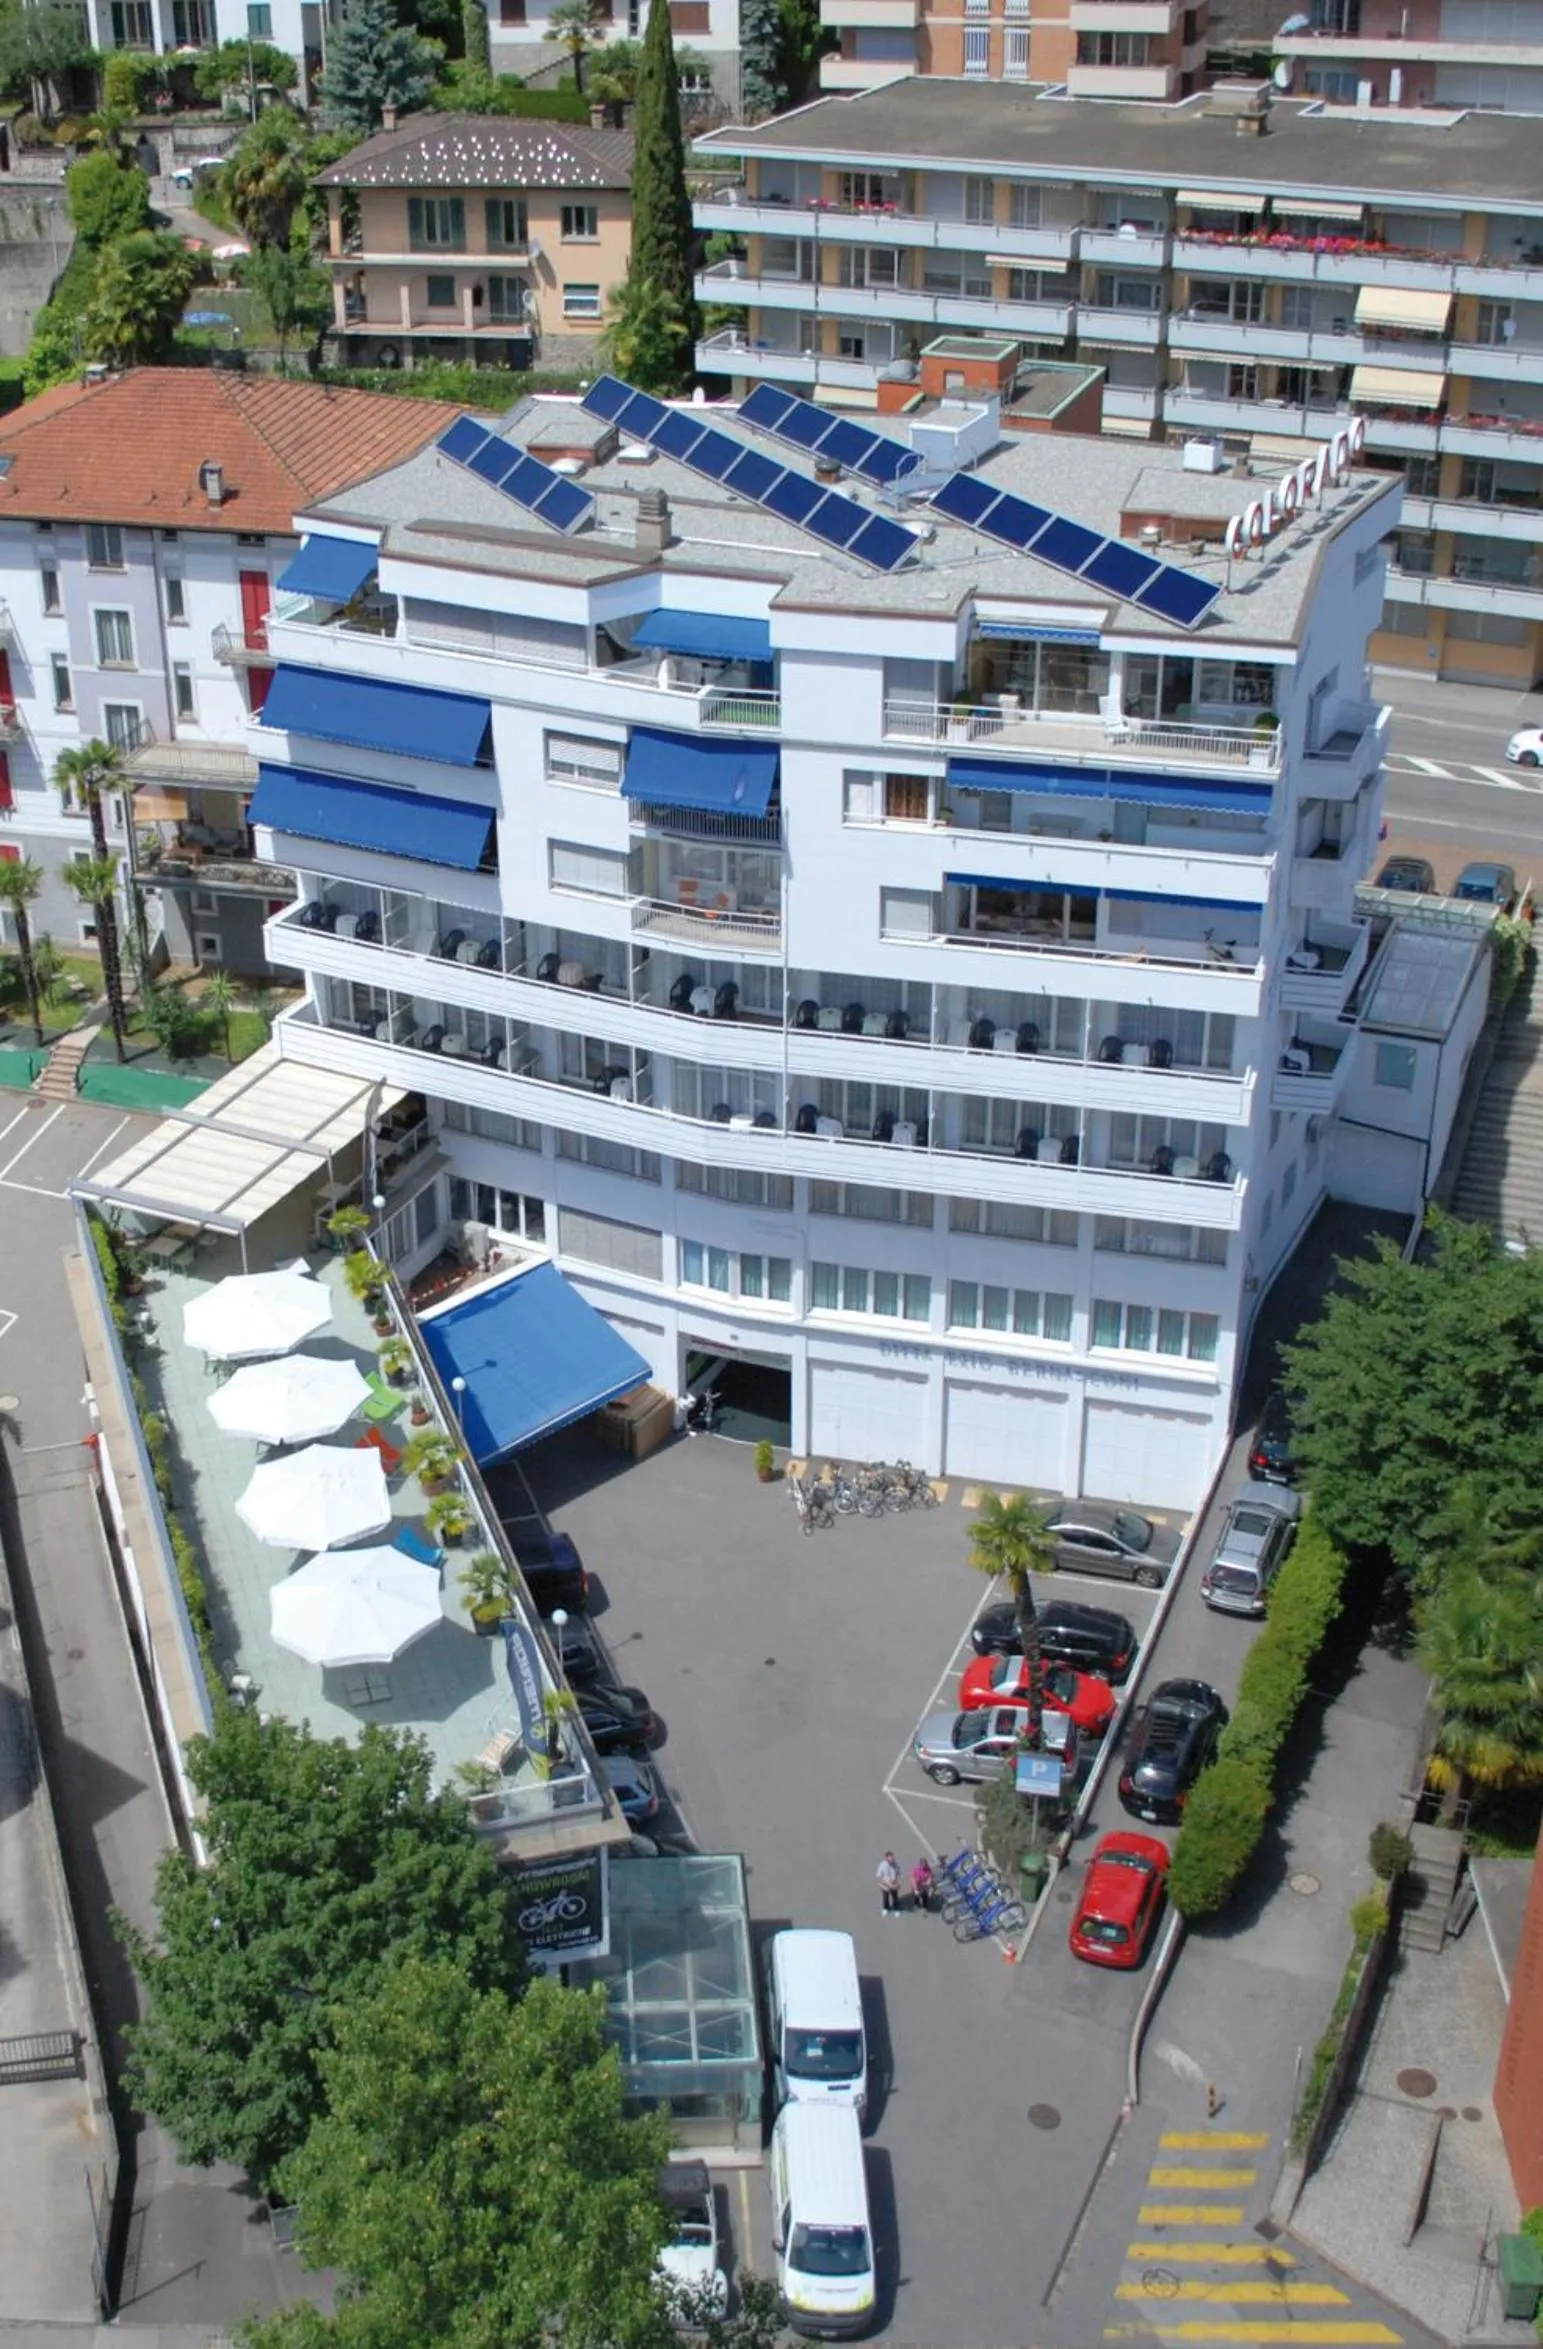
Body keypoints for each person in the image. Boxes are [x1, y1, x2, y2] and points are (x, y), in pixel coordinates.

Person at [877, 1851, 901, 1917]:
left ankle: (896, 1908)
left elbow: (898, 1874)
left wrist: (898, 1883)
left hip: (894, 1882)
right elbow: (879, 1877)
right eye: (890, 1858)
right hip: (885, 1883)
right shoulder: (882, 1865)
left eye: (892, 1858)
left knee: (895, 1896)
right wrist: (887, 1883)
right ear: (886, 1858)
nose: (892, 1859)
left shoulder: (896, 1864)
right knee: (885, 1896)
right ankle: (885, 1908)